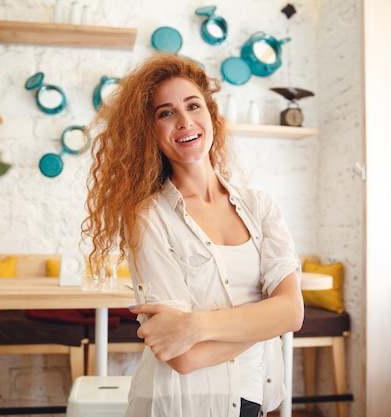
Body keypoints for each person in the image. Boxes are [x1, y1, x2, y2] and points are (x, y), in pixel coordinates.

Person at [81, 54, 303, 417]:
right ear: (150, 131)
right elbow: (183, 357)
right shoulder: (148, 217)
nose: (184, 121)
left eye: (193, 105)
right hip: (183, 405)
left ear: (211, 115)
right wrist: (266, 317)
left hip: (254, 402)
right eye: (165, 113)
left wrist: (194, 324)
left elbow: (292, 312)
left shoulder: (261, 207)